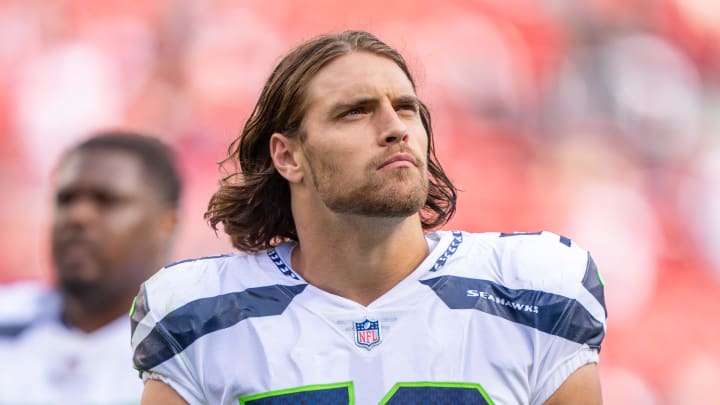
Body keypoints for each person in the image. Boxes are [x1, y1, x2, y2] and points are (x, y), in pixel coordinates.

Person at [132, 30, 606, 405]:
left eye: (406, 108)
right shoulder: (202, 318)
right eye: (354, 112)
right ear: (288, 156)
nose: (395, 128)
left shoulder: (531, 293)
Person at [0, 131, 182, 404]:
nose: (77, 216)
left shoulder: (194, 352)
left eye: (106, 200)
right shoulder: (8, 316)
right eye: (66, 200)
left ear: (165, 223)